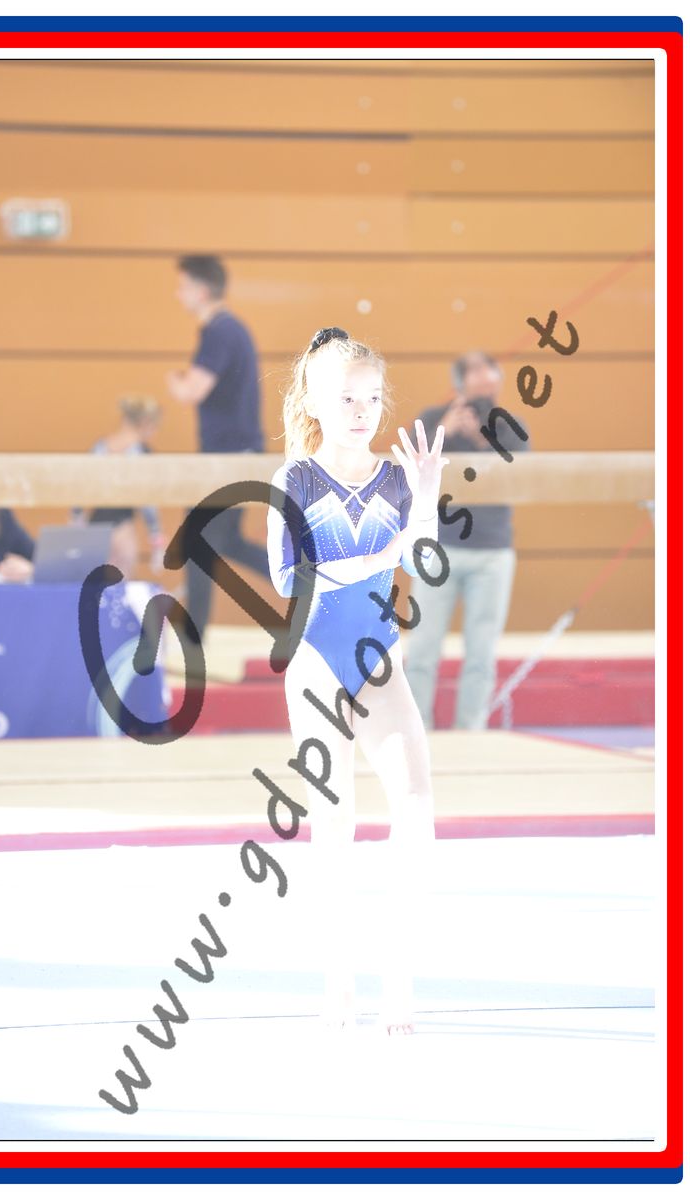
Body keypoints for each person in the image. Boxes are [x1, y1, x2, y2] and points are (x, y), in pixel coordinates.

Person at [267, 327, 448, 1035]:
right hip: (316, 661)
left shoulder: (395, 478)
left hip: (378, 662)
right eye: (345, 398)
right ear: (314, 400)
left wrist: (426, 500)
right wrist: (386, 551)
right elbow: (290, 579)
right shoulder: (294, 481)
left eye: (372, 398)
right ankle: (339, 984)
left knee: (417, 806)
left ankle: (398, 979)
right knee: (335, 822)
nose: (361, 411)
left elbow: (422, 563)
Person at [404, 350, 530, 730]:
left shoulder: (510, 426)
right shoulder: (433, 420)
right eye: (473, 378)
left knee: (481, 653)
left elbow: (521, 477)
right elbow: (408, 468)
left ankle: (471, 730)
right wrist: (444, 430)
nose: (482, 388)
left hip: (491, 552)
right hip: (438, 549)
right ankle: (416, 727)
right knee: (422, 649)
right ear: (458, 385)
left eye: (488, 377)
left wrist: (481, 440)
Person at [166, 254, 271, 644]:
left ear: (201, 290)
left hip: (230, 457)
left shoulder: (221, 332)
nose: (177, 295)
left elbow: (191, 391)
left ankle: (193, 637)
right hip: (230, 454)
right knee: (222, 542)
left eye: (182, 287)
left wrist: (174, 381)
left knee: (198, 540)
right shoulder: (226, 330)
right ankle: (306, 580)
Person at [71, 394, 166, 573]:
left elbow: (81, 489)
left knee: (97, 584)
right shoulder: (141, 452)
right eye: (155, 427)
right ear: (146, 423)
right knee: (120, 584)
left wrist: (76, 521)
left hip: (95, 527)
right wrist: (156, 540)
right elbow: (148, 503)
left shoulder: (100, 447)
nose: (154, 433)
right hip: (123, 528)